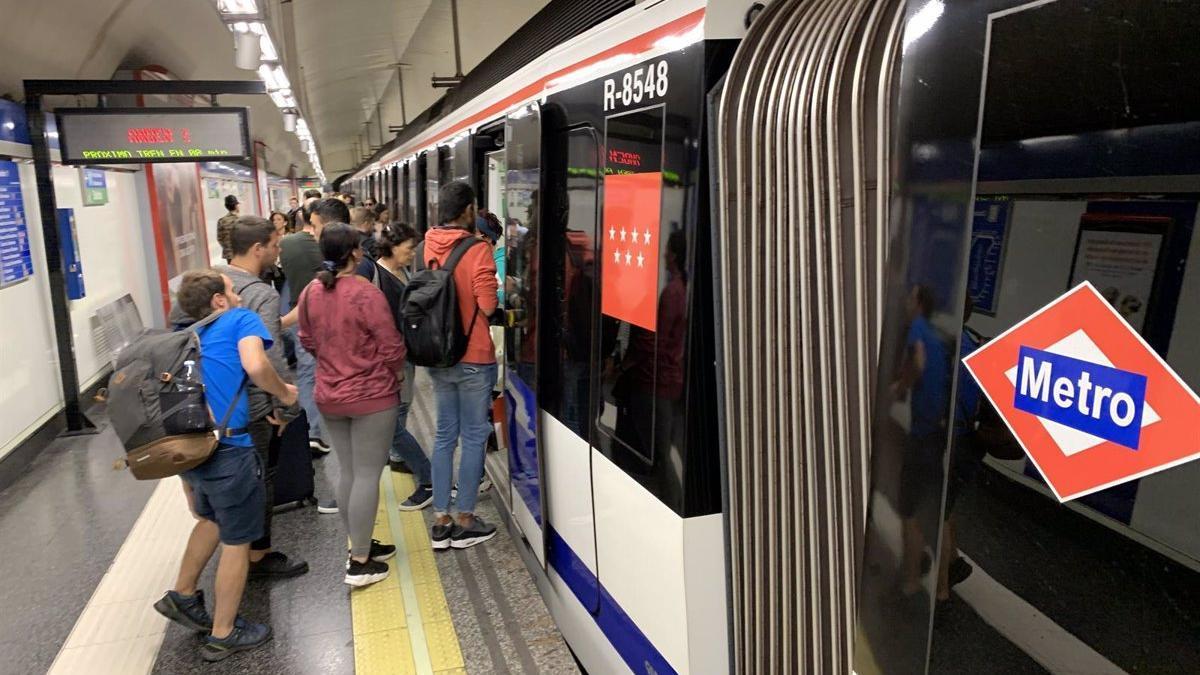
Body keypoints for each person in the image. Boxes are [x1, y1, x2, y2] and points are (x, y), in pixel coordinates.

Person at [153, 269, 298, 662]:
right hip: (230, 448)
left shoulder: (184, 333)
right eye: (232, 291)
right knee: (237, 541)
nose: (236, 295)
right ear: (218, 300)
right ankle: (224, 631)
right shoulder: (240, 319)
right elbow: (255, 365)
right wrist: (285, 393)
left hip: (192, 444)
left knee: (211, 520)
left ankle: (182, 594)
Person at [298, 223, 407, 586]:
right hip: (371, 396)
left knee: (348, 471)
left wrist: (332, 361)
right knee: (366, 475)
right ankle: (359, 560)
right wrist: (396, 373)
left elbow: (307, 339)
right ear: (356, 253)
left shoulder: (310, 292)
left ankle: (359, 543)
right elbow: (391, 344)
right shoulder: (365, 293)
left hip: (329, 395)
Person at [215, 216, 308, 579]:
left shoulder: (212, 281)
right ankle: (258, 555)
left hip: (215, 405)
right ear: (257, 249)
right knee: (262, 477)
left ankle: (240, 548)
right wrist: (285, 404)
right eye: (274, 244)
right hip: (251, 408)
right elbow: (267, 357)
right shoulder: (260, 292)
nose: (278, 249)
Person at [423, 181, 499, 550]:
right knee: (473, 436)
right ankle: (466, 518)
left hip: (439, 354)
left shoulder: (428, 244)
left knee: (443, 435)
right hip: (473, 355)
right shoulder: (477, 248)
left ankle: (441, 519)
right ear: (468, 210)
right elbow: (486, 305)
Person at [279, 198, 350, 465]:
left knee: (309, 373)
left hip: (302, 316)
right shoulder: (342, 251)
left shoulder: (288, 244)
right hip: (329, 319)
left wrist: (282, 322)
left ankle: (312, 430)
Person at [890, 284, 950, 597]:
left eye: (909, 296)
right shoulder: (934, 333)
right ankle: (941, 590)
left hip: (923, 435)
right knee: (936, 511)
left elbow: (918, 362)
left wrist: (901, 387)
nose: (905, 300)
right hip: (936, 433)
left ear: (918, 303)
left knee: (908, 510)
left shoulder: (916, 328)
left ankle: (910, 581)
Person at [368, 223, 433, 509]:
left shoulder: (402, 272)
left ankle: (398, 457)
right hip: (389, 361)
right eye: (409, 249)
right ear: (393, 247)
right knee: (391, 426)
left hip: (405, 355)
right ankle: (429, 478)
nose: (412, 254)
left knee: (400, 414)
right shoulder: (377, 277)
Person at [217, 195, 240, 262]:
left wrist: (227, 248)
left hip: (229, 254)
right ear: (236, 206)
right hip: (241, 253)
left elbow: (220, 238)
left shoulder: (222, 221)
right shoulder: (240, 220)